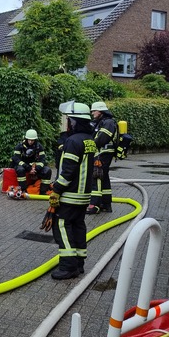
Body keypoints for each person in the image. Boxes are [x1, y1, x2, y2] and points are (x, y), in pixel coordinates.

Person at [48, 101, 96, 280]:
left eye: (69, 120)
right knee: (78, 226)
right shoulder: (89, 140)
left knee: (62, 226)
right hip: (83, 195)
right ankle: (79, 263)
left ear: (74, 122)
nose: (68, 123)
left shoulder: (73, 141)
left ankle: (68, 267)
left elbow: (68, 171)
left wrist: (56, 189)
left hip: (70, 195)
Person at [87, 101, 119, 214]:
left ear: (100, 111)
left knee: (96, 176)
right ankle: (105, 204)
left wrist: (90, 144)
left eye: (94, 111)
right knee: (104, 178)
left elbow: (102, 139)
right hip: (101, 153)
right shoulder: (102, 122)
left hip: (103, 154)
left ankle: (94, 205)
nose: (92, 113)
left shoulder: (109, 123)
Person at [11, 129, 52, 195]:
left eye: (32, 140)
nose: (30, 142)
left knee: (47, 170)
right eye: (29, 140)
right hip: (23, 166)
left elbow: (42, 160)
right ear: (26, 139)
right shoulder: (20, 146)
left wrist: (37, 169)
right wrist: (28, 168)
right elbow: (17, 160)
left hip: (35, 168)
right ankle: (23, 190)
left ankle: (43, 191)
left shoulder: (39, 147)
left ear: (35, 139)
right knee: (20, 170)